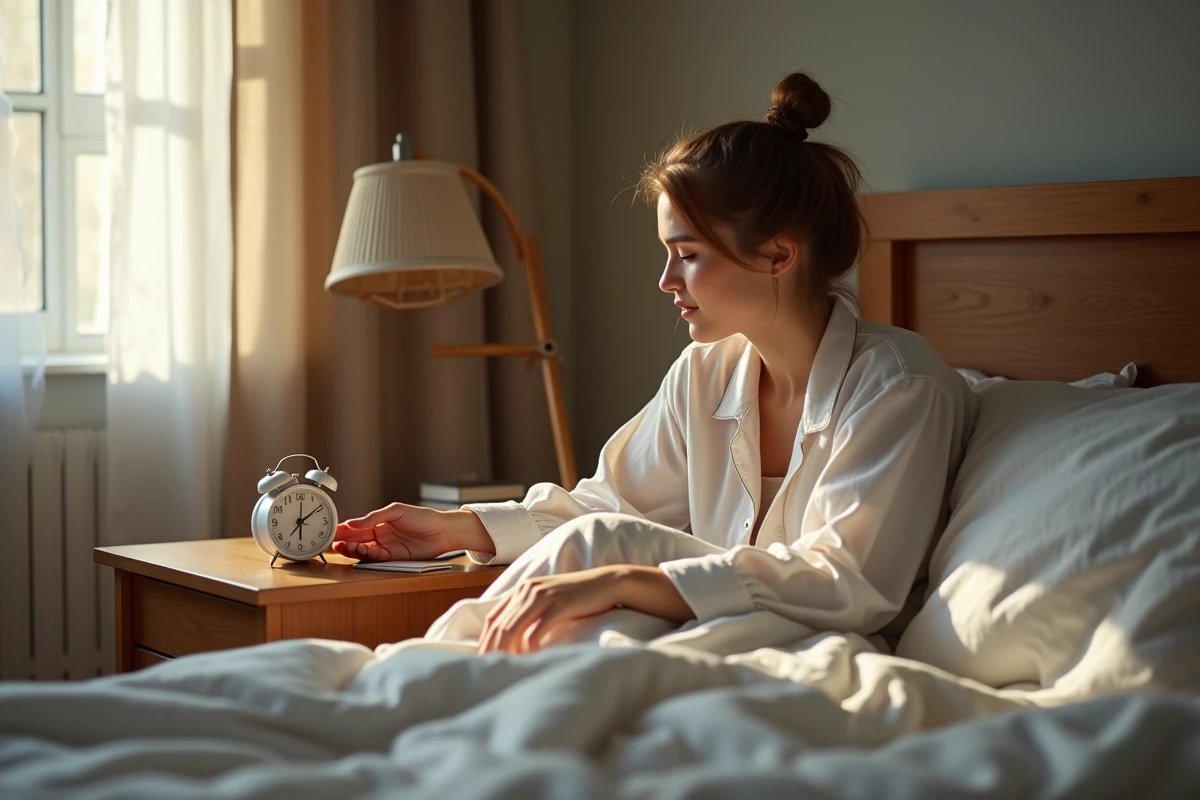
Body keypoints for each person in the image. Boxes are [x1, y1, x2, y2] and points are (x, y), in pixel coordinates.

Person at [334, 72, 978, 658]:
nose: (667, 280)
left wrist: (625, 579)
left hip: (813, 644)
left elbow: (848, 582)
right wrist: (453, 527)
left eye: (688, 254)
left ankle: (438, 680)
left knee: (600, 558)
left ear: (779, 256)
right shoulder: (705, 373)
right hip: (710, 624)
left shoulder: (898, 384)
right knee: (577, 596)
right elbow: (609, 503)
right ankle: (431, 675)